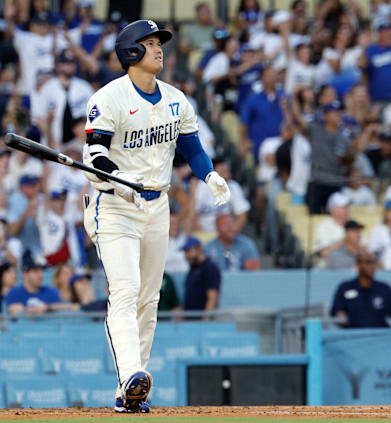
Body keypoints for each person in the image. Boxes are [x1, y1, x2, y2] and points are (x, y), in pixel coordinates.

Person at [81, 20, 230, 414]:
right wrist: (117, 177)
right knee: (126, 291)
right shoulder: (108, 98)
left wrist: (210, 174)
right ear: (131, 51)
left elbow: (193, 149)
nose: (158, 49)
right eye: (149, 43)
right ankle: (131, 371)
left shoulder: (177, 100)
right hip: (114, 205)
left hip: (157, 205)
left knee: (150, 298)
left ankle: (132, 390)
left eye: (158, 43)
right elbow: (94, 154)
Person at [330, 251, 391, 328]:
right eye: (368, 262)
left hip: (380, 336)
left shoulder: (384, 289)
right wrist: (340, 316)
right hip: (353, 336)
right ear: (358, 265)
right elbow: (337, 311)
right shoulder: (345, 287)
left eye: (374, 263)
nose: (372, 266)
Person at [182, 236, 221, 315]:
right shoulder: (192, 269)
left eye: (189, 251)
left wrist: (205, 322)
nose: (187, 255)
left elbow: (212, 297)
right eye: (185, 252)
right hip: (191, 320)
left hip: (201, 321)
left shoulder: (209, 267)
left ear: (200, 249)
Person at [313, 192, 350, 257]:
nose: (347, 209)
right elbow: (323, 253)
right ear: (333, 209)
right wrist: (345, 241)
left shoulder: (353, 223)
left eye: (347, 207)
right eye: (343, 207)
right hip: (330, 265)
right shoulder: (324, 226)